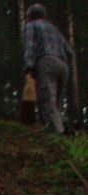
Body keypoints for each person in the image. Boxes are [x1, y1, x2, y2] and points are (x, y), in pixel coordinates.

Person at [23, 4, 72, 134]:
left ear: (30, 16)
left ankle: (57, 135)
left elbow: (30, 46)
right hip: (63, 66)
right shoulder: (54, 28)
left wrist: (29, 67)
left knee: (47, 102)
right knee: (56, 105)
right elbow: (68, 50)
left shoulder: (31, 26)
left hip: (46, 63)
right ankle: (65, 129)